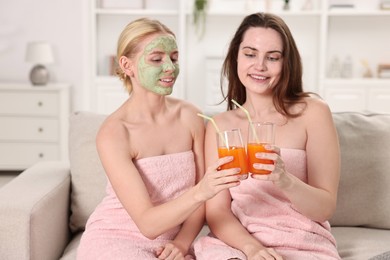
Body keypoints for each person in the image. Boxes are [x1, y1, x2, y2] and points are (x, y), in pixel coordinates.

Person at [77, 18, 241, 260]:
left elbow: (201, 206)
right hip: (118, 237)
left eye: (174, 58)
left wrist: (183, 244)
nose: (170, 68)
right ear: (127, 65)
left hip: (176, 241)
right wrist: (203, 189)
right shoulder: (115, 133)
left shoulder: (190, 116)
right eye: (156, 59)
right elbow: (148, 224)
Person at [193, 12, 341, 260]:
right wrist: (252, 249)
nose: (260, 65)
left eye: (272, 57)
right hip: (238, 245)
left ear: (286, 64)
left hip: (301, 241)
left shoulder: (313, 113)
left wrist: (284, 179)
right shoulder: (219, 126)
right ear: (236, 58)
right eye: (250, 54)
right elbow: (217, 212)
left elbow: (324, 208)